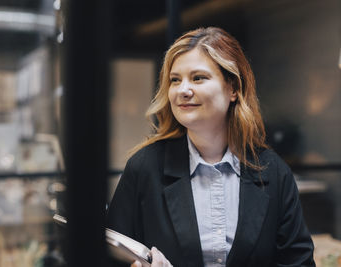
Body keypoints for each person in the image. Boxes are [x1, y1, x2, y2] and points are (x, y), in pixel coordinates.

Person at [107, 27, 315, 267]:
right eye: (175, 80)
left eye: (198, 78)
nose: (183, 90)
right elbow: (110, 258)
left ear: (233, 88)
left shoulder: (273, 171)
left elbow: (299, 263)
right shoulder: (144, 168)